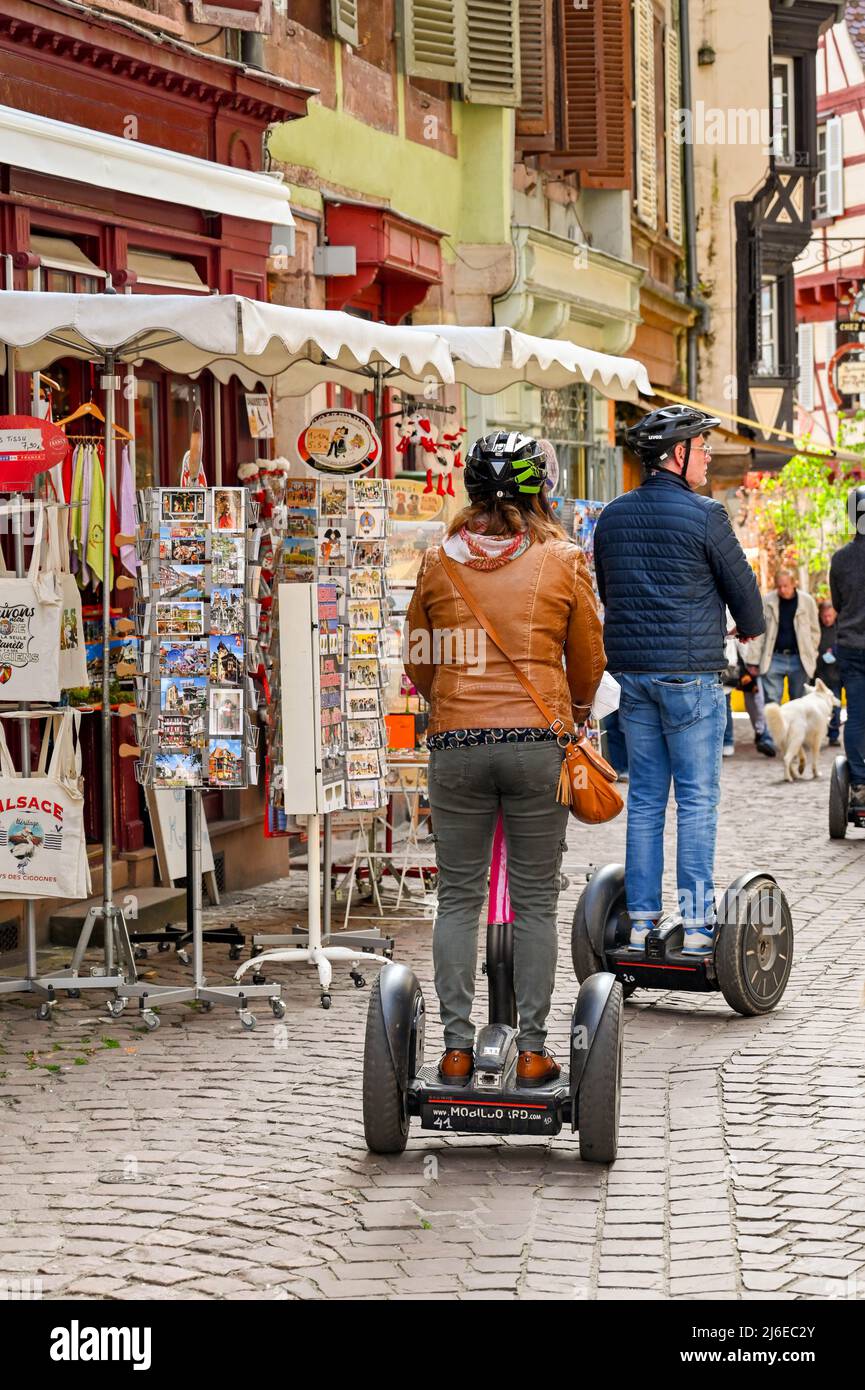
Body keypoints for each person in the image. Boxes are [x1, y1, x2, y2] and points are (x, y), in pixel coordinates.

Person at [405, 431, 605, 1086]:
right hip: (535, 745)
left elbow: (417, 659)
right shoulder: (565, 558)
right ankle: (532, 1050)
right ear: (539, 490)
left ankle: (457, 1050)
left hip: (456, 746)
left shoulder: (438, 560)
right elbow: (588, 662)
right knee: (533, 901)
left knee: (458, 897)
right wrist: (574, 713)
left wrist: (452, 708)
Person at [593, 404, 765, 954]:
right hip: (690, 677)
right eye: (702, 445)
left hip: (632, 678)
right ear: (677, 455)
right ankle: (695, 928)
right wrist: (745, 626)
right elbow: (747, 597)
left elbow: (609, 587)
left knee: (645, 798)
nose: (709, 453)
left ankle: (641, 923)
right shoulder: (705, 514)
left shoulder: (613, 515)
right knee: (695, 801)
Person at [829, 485, 865, 808]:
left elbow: (837, 603)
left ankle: (860, 783)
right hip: (854, 647)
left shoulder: (840, 559)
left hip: (852, 647)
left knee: (855, 716)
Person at [757, 568, 820, 706]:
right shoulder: (767, 601)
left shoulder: (807, 601)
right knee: (772, 705)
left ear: (793, 583)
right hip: (773, 658)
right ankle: (771, 729)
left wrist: (812, 652)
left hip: (800, 659)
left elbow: (815, 631)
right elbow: (760, 633)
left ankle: (795, 729)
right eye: (779, 586)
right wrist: (753, 660)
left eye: (785, 586)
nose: (782, 589)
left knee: (800, 704)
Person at [816, 599, 842, 746]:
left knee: (836, 707)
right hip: (819, 675)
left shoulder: (841, 629)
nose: (827, 619)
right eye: (824, 616)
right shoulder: (816, 628)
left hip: (836, 676)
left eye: (829, 616)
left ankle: (833, 735)